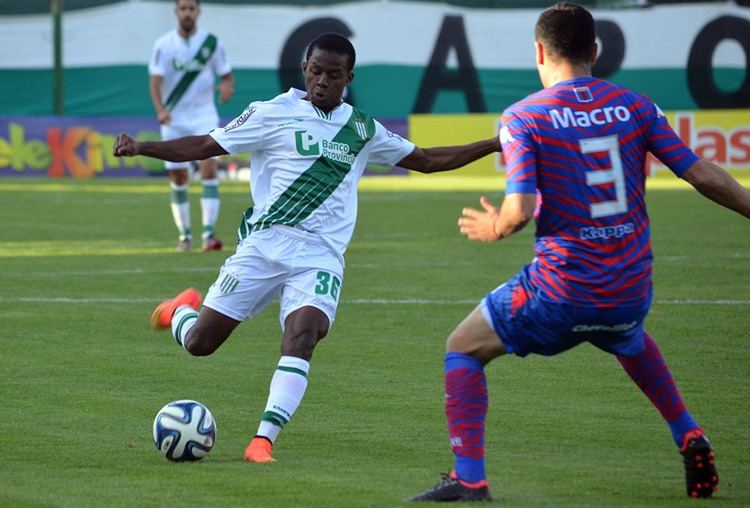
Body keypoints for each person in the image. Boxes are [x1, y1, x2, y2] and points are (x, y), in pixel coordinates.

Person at [409, 2, 750, 502]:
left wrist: (496, 226)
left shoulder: (525, 116)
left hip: (561, 290)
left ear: (539, 52)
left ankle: (469, 479)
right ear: (595, 51)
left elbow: (520, 208)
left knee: (462, 347)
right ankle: (688, 433)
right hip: (631, 289)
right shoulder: (636, 105)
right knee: (627, 335)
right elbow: (700, 173)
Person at [114, 33, 501, 464]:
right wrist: (143, 147)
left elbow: (427, 159)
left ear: (348, 78)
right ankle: (178, 312)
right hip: (263, 246)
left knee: (303, 335)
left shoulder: (362, 129)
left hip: (319, 255)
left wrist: (493, 143)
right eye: (316, 71)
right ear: (305, 69)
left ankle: (263, 441)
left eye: (333, 75)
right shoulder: (271, 113)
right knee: (201, 343)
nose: (322, 82)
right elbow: (207, 145)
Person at [149, 0, 235, 252]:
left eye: (191, 8)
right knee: (179, 176)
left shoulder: (211, 43)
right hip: (174, 118)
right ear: (176, 12)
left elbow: (227, 75)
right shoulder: (163, 45)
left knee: (209, 169)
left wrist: (227, 87)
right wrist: (161, 110)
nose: (187, 13)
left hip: (204, 116)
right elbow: (155, 82)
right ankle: (184, 236)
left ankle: (209, 235)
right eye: (183, 8)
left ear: (198, 12)